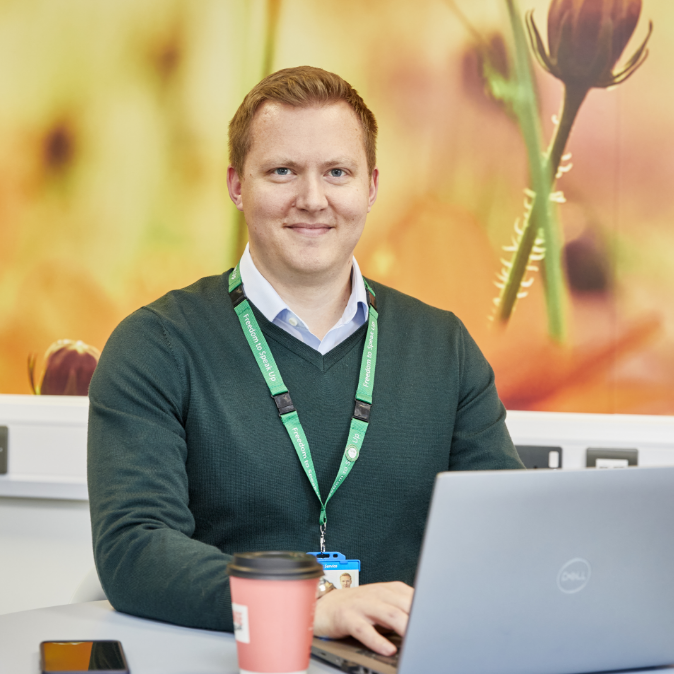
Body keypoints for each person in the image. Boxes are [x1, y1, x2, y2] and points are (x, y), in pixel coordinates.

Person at [87, 65, 524, 658]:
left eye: (337, 173)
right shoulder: (155, 345)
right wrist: (310, 606)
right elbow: (135, 549)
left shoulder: (443, 346)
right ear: (237, 185)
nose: (313, 199)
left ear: (370, 186)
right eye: (282, 171)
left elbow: (507, 537)